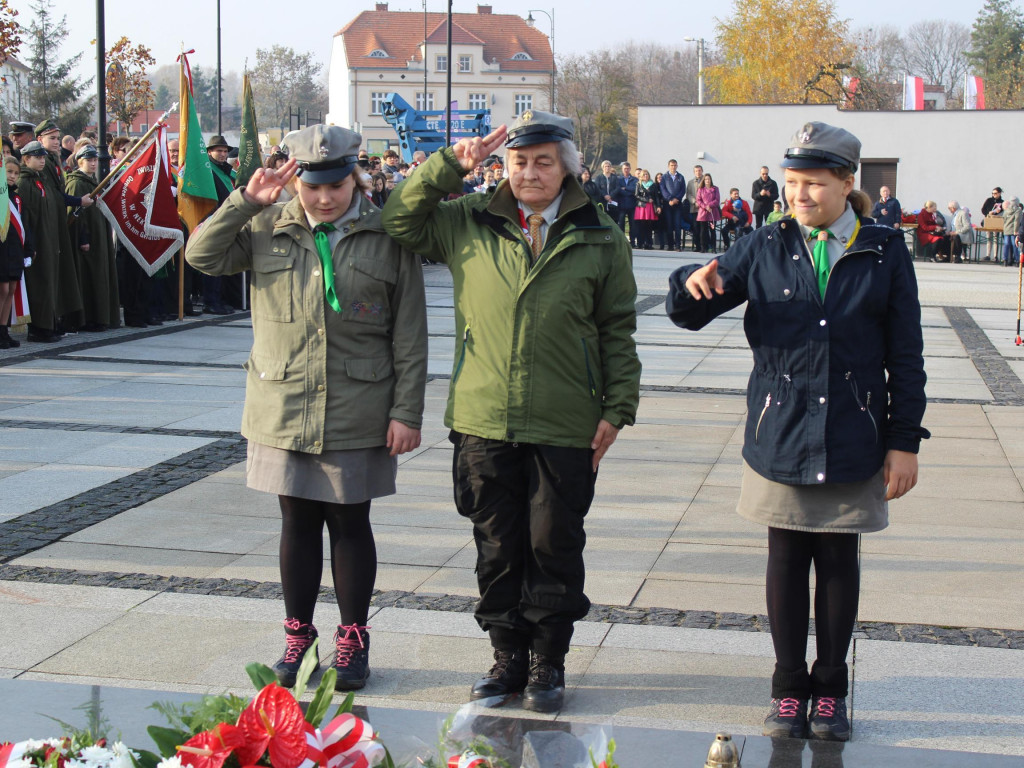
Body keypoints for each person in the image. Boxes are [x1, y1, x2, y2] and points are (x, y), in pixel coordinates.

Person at [667, 121, 928, 743]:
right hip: (780, 432)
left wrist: (904, 440)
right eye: (790, 184)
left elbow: (908, 356)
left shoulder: (885, 250)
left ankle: (831, 690)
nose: (799, 196)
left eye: (812, 183)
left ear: (846, 183)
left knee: (838, 560)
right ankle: (788, 689)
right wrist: (689, 284)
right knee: (784, 559)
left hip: (853, 432)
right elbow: (694, 312)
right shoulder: (766, 242)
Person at [382, 110, 641, 714]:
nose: (530, 172)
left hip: (564, 418)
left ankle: (548, 661)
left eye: (543, 161)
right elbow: (398, 218)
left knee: (554, 542)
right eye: (519, 161)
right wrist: (450, 165)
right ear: (504, 165)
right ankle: (507, 658)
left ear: (566, 167)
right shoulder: (468, 221)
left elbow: (617, 331)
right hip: (484, 414)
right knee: (496, 544)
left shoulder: (600, 235)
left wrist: (618, 407)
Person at [186, 124, 428, 691]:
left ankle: (352, 637)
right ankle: (298, 636)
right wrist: (244, 201)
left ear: (355, 177)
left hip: (358, 401)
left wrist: (407, 411)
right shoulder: (266, 225)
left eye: (337, 186)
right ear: (296, 180)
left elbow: (411, 335)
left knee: (350, 521)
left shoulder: (386, 234)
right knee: (295, 520)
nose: (324, 198)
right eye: (313, 187)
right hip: (283, 400)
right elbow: (200, 255)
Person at [65, 145, 119, 332]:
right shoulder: (76, 183)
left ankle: (100, 317)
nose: (93, 163)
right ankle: (88, 318)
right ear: (80, 161)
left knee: (98, 277)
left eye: (95, 160)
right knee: (88, 278)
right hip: (86, 240)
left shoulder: (93, 181)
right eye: (89, 160)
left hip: (98, 237)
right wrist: (83, 238)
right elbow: (74, 215)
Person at [0, 156, 32, 349]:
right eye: (8, 172)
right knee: (2, 290)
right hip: (2, 249)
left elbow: (23, 225)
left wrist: (29, 248)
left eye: (15, 173)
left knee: (11, 289)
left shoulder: (17, 197)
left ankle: (4, 330)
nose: (12, 176)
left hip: (15, 249)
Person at [660, 159, 686, 251]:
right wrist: (670, 199)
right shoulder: (664, 177)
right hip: (668, 204)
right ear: (668, 166)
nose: (673, 167)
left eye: (675, 165)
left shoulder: (681, 177)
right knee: (669, 225)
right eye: (671, 165)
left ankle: (678, 246)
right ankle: (670, 245)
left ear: (677, 166)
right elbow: (663, 190)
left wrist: (676, 199)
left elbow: (683, 190)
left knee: (677, 225)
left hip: (678, 205)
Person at [633, 168, 662, 250]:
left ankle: (649, 243)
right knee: (641, 226)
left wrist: (658, 206)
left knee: (649, 226)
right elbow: (636, 195)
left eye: (647, 174)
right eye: (644, 175)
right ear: (641, 176)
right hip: (641, 206)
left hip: (650, 207)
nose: (645, 176)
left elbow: (656, 197)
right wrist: (646, 200)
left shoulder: (653, 185)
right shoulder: (638, 184)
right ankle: (640, 243)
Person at [695, 172, 721, 253]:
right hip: (703, 212)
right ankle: (703, 247)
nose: (707, 181)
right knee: (703, 231)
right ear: (704, 180)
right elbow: (698, 200)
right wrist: (705, 206)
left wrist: (710, 205)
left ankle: (713, 247)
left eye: (708, 179)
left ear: (711, 180)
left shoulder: (715, 189)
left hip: (712, 212)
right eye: (706, 179)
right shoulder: (700, 189)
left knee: (712, 230)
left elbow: (717, 200)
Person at [594, 160, 622, 225]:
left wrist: (610, 196)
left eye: (609, 166)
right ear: (603, 167)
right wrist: (605, 196)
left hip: (613, 202)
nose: (607, 168)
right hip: (603, 202)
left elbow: (617, 188)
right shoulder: (599, 177)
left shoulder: (615, 177)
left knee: (614, 221)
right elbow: (597, 188)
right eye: (605, 166)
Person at [617, 162, 638, 245]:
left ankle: (632, 241)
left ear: (630, 169)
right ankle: (622, 241)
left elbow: (634, 190)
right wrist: (627, 191)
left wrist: (625, 188)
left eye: (627, 168)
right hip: (621, 205)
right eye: (624, 168)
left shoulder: (635, 179)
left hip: (632, 204)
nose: (626, 170)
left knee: (632, 224)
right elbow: (618, 190)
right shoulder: (618, 179)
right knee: (621, 224)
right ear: (622, 169)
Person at [685, 164, 704, 251]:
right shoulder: (690, 182)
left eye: (699, 170)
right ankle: (697, 246)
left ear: (702, 171)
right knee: (695, 227)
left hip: (704, 209)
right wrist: (694, 202)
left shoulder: (706, 180)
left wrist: (702, 203)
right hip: (694, 208)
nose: (698, 172)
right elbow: (688, 194)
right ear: (694, 172)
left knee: (703, 228)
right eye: (696, 171)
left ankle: (704, 246)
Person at [1001, 196, 1021, 267]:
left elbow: (1004, 218)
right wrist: (1016, 230)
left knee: (1006, 245)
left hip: (1006, 229)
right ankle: (1017, 261)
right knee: (1015, 245)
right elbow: (1017, 221)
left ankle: (1005, 260)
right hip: (1013, 230)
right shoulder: (1018, 210)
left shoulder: (1007, 210)